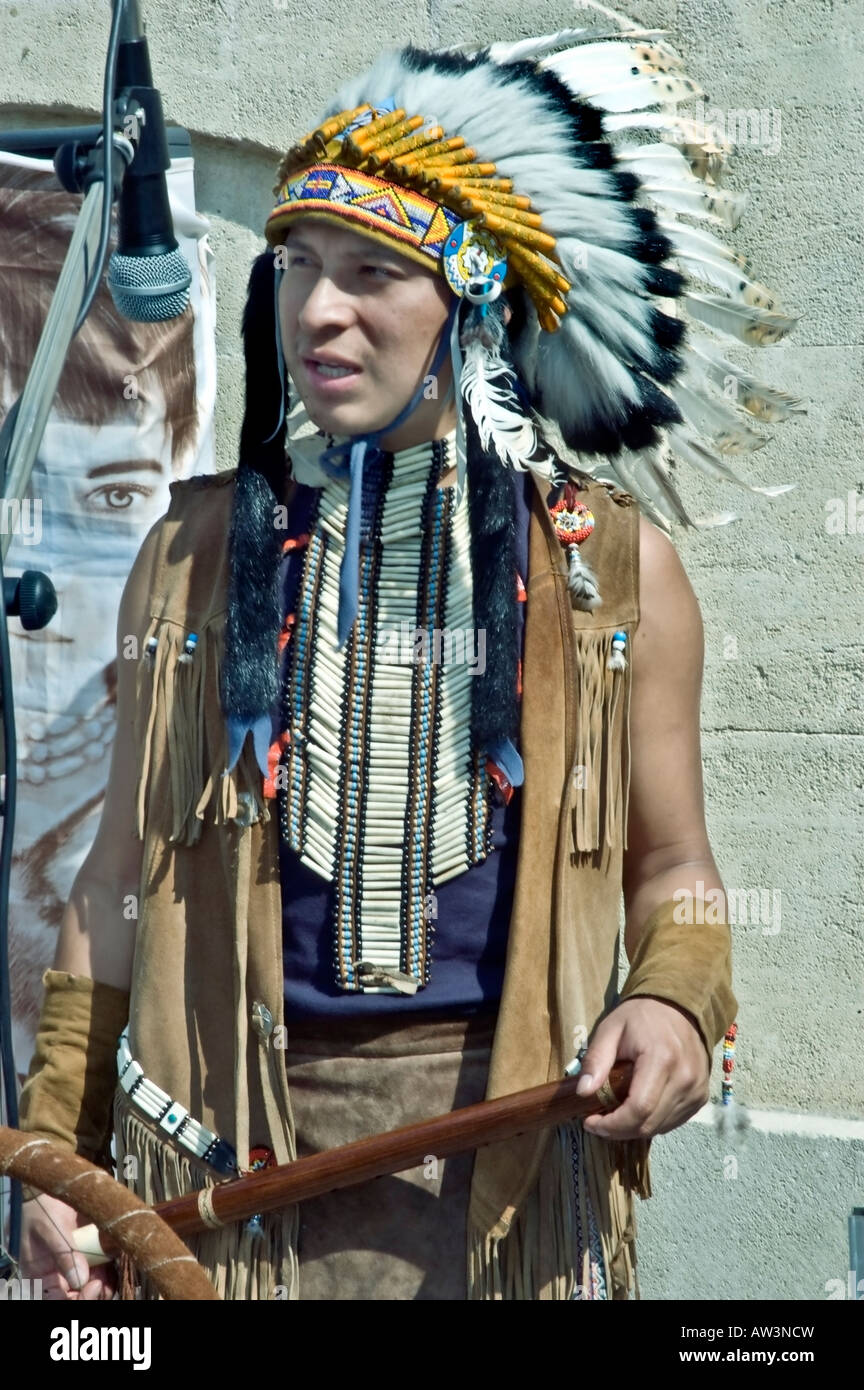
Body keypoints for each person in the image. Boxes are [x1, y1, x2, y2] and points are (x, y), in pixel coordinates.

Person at [15, 10, 798, 1301]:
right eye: (297, 265)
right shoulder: (191, 553)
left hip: (497, 1160)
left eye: (373, 272)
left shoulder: (607, 567)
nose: (318, 312)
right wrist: (55, 1154)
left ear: (475, 301)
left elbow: (679, 870)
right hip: (216, 1156)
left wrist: (673, 1002)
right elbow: (112, 890)